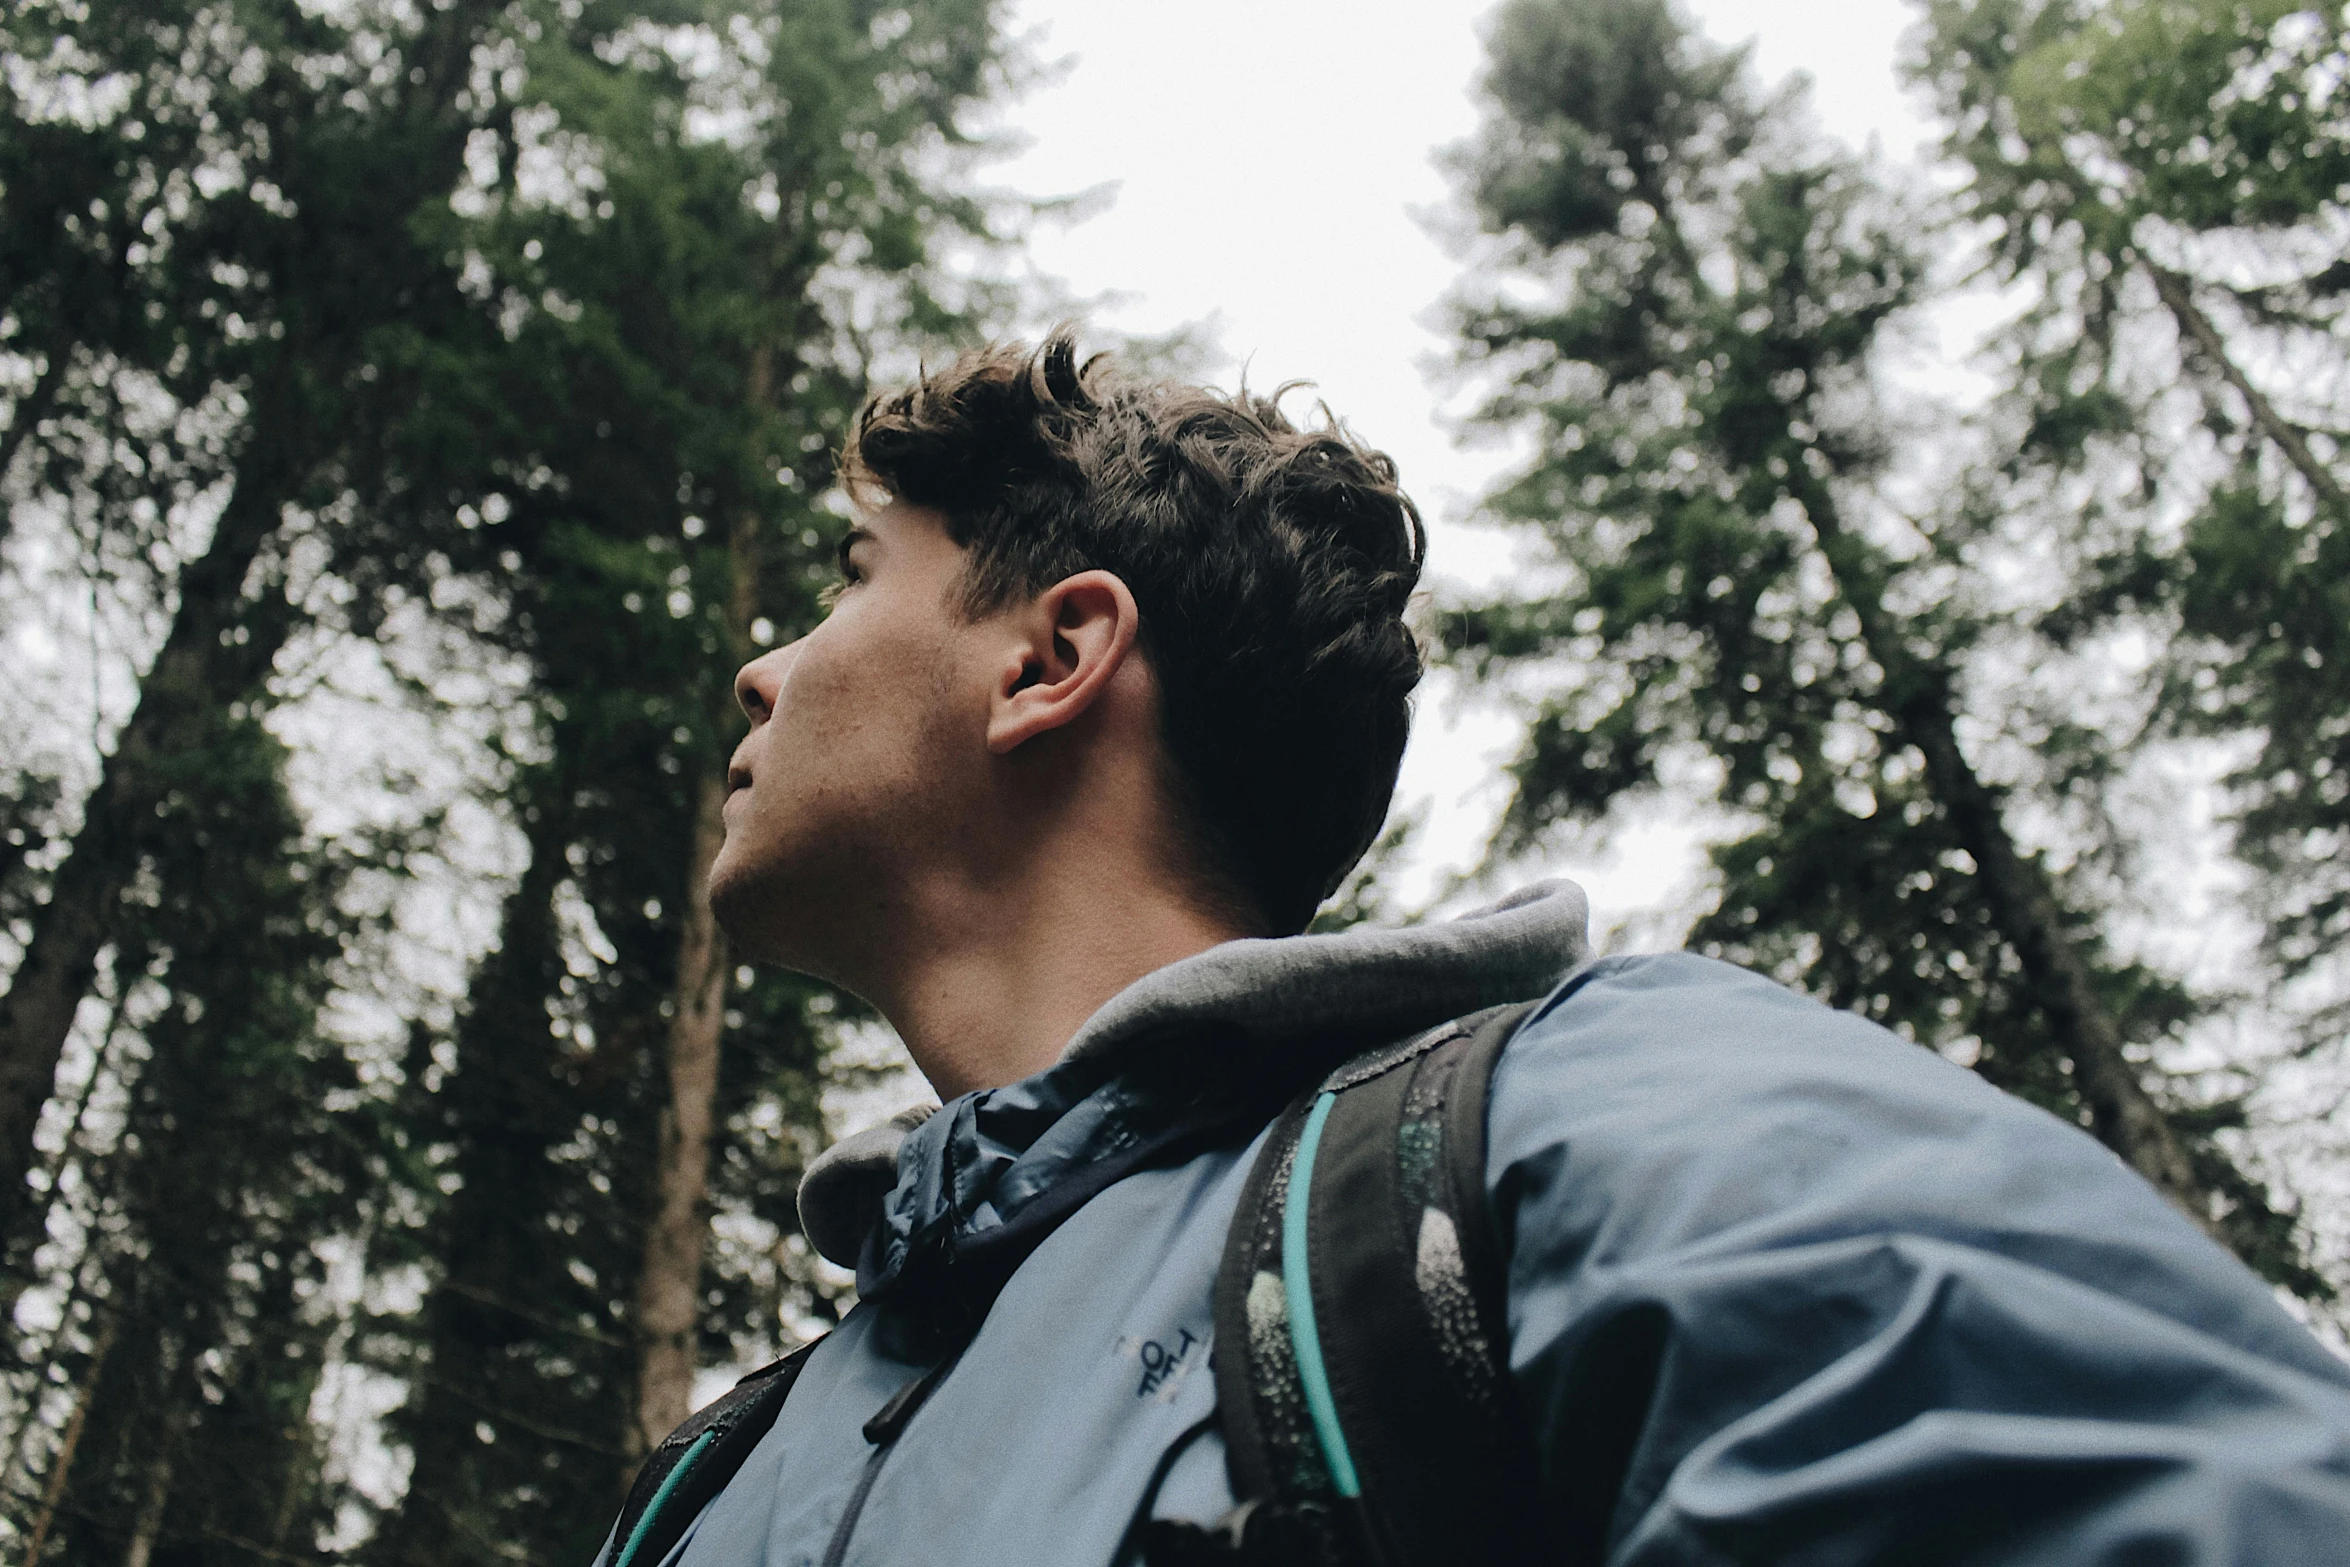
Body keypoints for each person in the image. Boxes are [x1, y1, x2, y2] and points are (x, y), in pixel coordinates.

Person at [606, 329, 2350, 1566]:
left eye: (848, 578)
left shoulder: (1574, 1124)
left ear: (1050, 657)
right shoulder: (712, 1479)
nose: (764, 671)